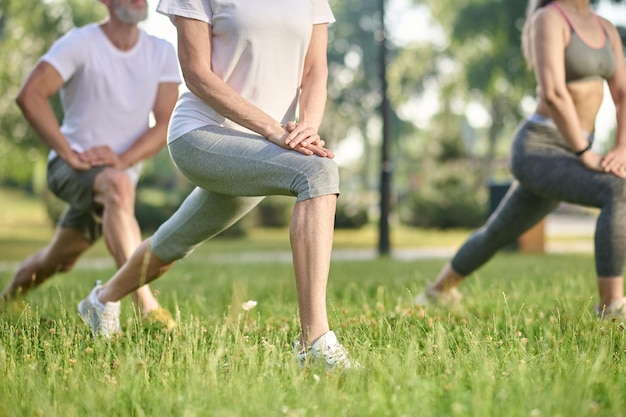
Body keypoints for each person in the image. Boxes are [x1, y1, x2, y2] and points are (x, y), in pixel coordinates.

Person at [77, 0, 353, 369]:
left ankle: (101, 300)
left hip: (265, 146)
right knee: (318, 173)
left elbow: (315, 69)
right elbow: (196, 73)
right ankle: (314, 343)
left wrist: (308, 130)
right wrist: (274, 130)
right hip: (203, 135)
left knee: (174, 241)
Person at [415, 0, 626, 318]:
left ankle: (435, 293)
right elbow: (553, 92)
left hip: (574, 152)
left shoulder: (606, 28)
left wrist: (621, 147)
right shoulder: (550, 18)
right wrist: (585, 152)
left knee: (497, 232)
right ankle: (612, 310)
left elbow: (622, 93)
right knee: (617, 189)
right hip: (539, 150)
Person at [1, 0, 181, 329]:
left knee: (59, 259)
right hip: (71, 169)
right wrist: (67, 152)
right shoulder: (81, 42)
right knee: (118, 184)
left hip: (116, 178)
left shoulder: (162, 52)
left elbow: (166, 122)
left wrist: (122, 159)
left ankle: (5, 301)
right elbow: (30, 95)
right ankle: (147, 308)